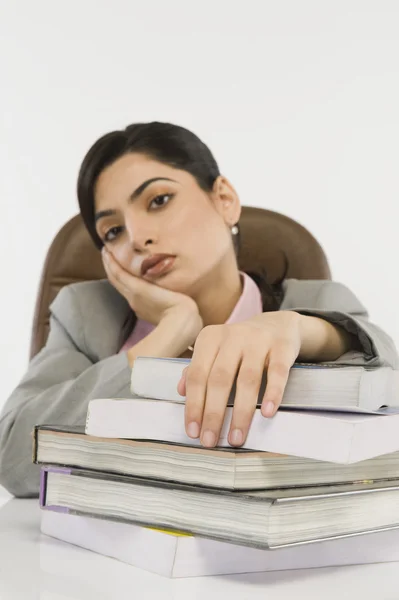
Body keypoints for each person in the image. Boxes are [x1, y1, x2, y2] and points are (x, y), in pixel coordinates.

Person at [0, 122, 397, 498]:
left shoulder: (316, 303)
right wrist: (171, 332)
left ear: (224, 199)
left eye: (158, 200)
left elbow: (388, 393)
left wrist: (305, 331)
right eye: (113, 231)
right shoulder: (86, 315)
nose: (138, 238)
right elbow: (12, 458)